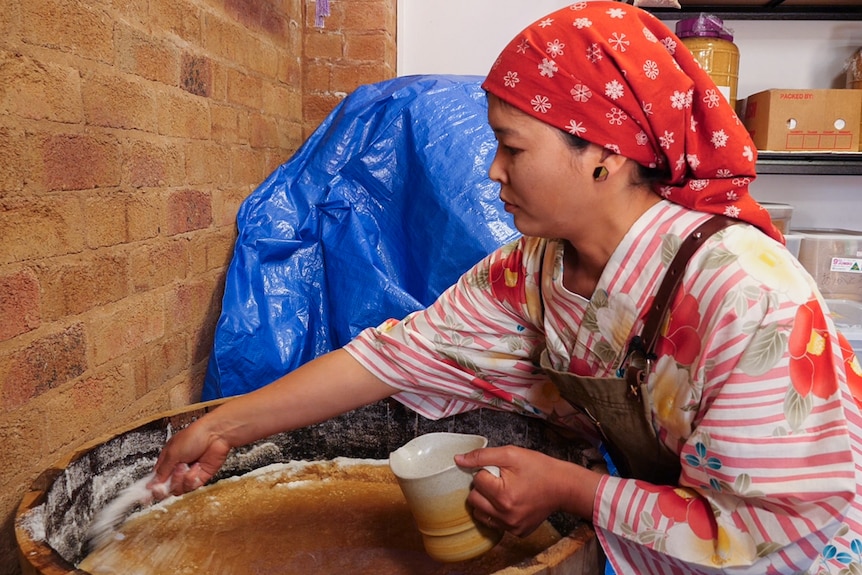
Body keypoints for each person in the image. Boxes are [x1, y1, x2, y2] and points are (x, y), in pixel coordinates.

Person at [153, 2, 862, 573]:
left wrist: (568, 488)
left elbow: (763, 527)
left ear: (606, 153)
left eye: (512, 146)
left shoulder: (747, 296)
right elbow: (395, 355)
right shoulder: (533, 271)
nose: (492, 171)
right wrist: (225, 424)